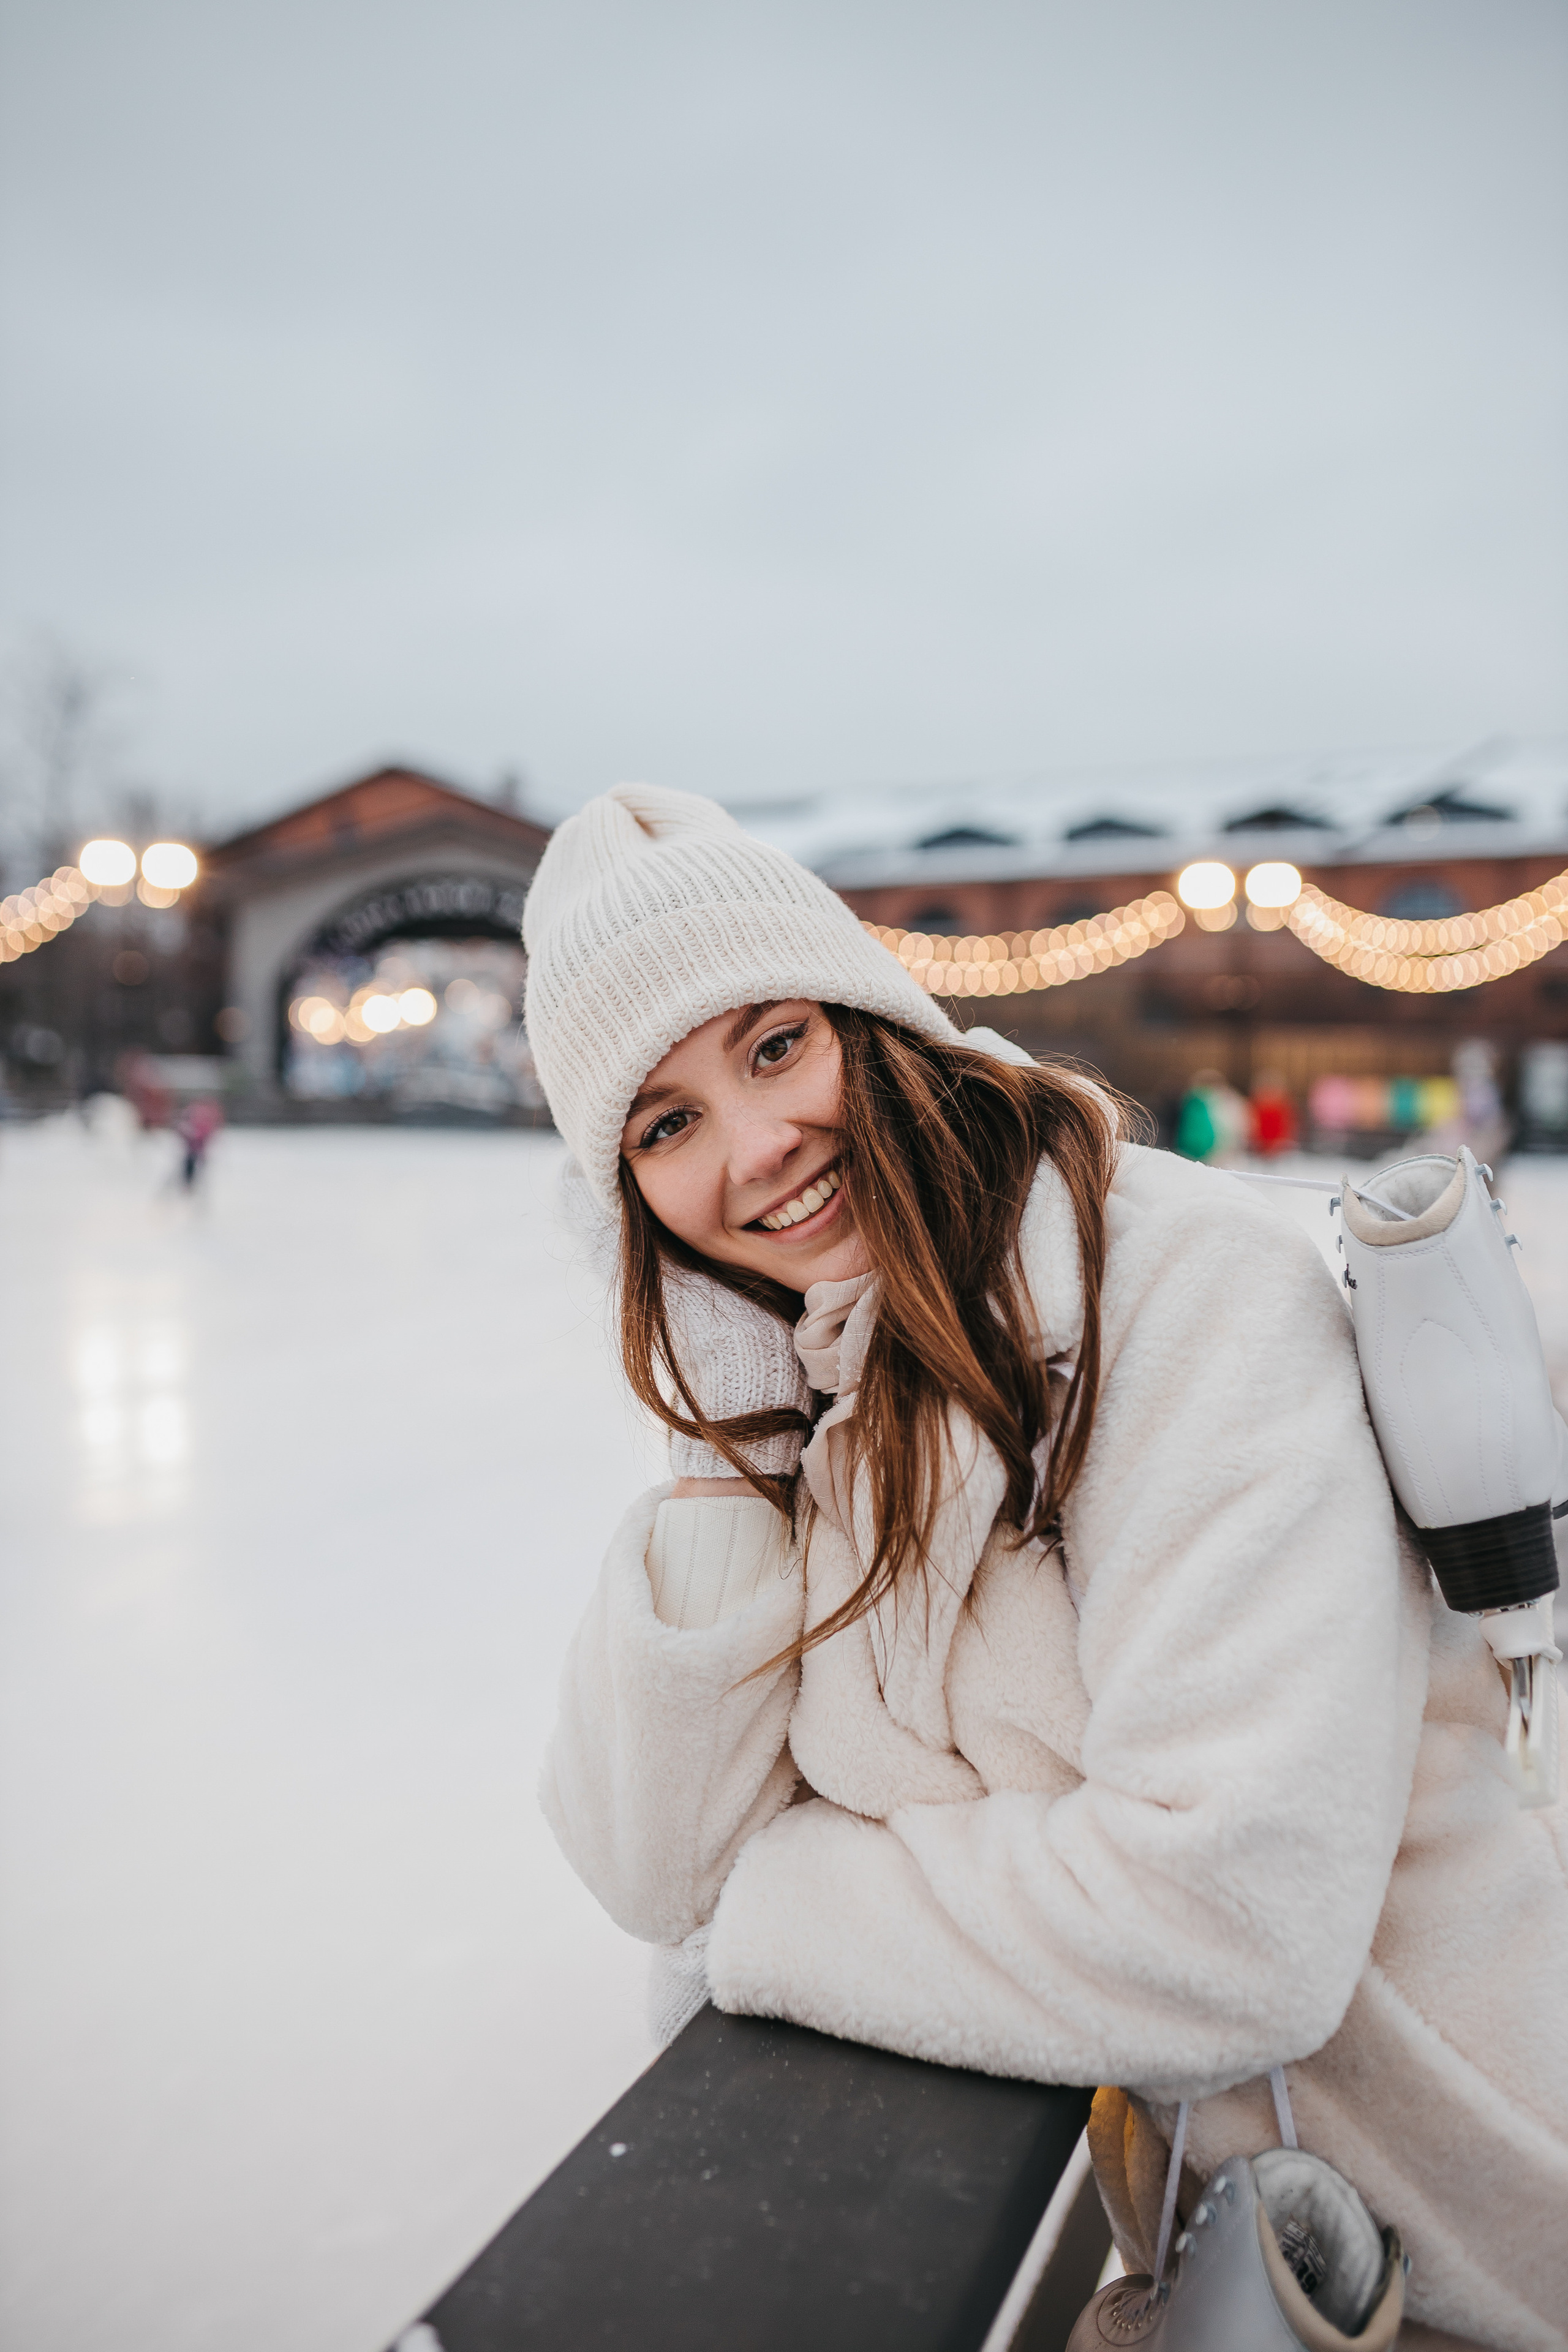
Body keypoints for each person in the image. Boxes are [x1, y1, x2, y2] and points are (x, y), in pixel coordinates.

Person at [529, 786, 1566, 2351]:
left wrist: (777, 1905)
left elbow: (1229, 1921)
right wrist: (721, 1453)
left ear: (873, 1019)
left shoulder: (1174, 1288)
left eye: (774, 1046)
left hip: (1486, 2236)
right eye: (663, 1127)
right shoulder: (831, 1384)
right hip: (1247, 2254)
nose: (754, 1147)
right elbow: (653, 1867)